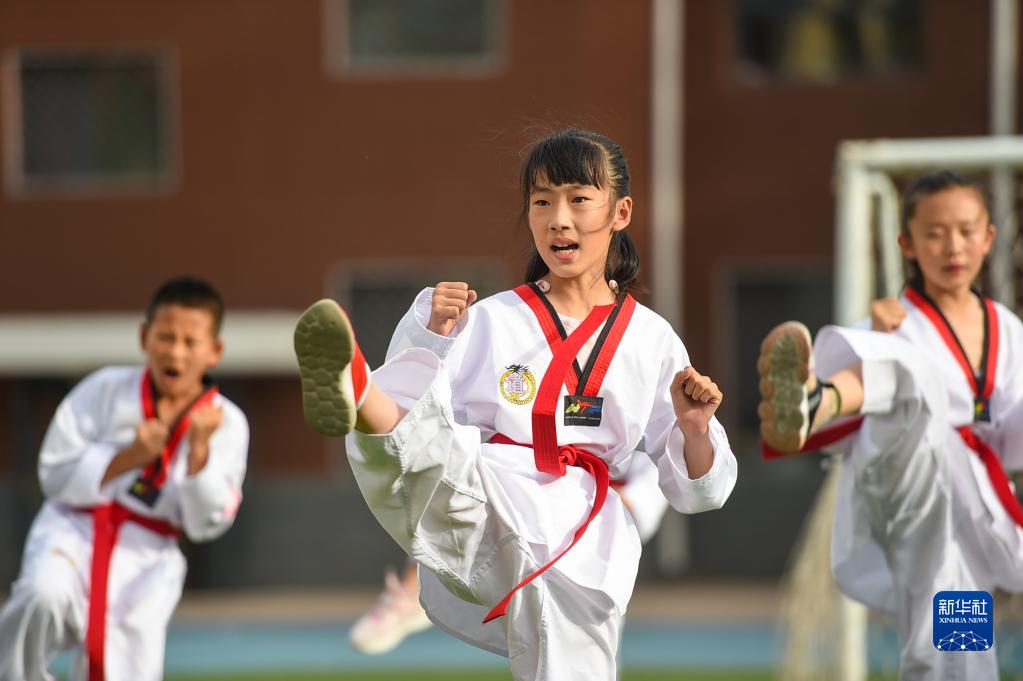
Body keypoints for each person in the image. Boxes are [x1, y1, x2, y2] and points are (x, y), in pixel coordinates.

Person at [294, 127, 737, 680]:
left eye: (579, 199)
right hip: (491, 496)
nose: (559, 218)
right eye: (542, 201)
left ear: (620, 212)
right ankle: (356, 387)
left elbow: (699, 492)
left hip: (583, 538)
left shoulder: (653, 339)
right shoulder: (491, 316)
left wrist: (696, 428)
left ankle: (362, 393)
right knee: (438, 458)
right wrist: (431, 334)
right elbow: (424, 394)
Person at [758, 170, 1023, 680]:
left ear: (989, 238)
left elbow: (1008, 441)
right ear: (907, 243)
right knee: (905, 369)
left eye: (967, 230)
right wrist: (878, 342)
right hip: (899, 479)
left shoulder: (1006, 327)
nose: (953, 246)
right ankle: (815, 399)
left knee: (957, 632)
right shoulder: (893, 321)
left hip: (968, 498)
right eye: (935, 232)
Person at [0, 277, 250, 681]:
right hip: (73, 530)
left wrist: (199, 450)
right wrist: (128, 457)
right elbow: (53, 472)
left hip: (148, 554)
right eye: (165, 337)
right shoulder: (103, 389)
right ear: (143, 337)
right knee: (40, 594)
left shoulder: (227, 423)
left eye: (191, 342)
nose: (176, 352)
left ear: (214, 351)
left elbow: (207, 524)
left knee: (127, 663)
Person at [348, 451, 670, 655]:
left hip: (588, 568)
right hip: (522, 535)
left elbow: (633, 511)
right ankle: (409, 593)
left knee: (578, 661)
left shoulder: (646, 459)